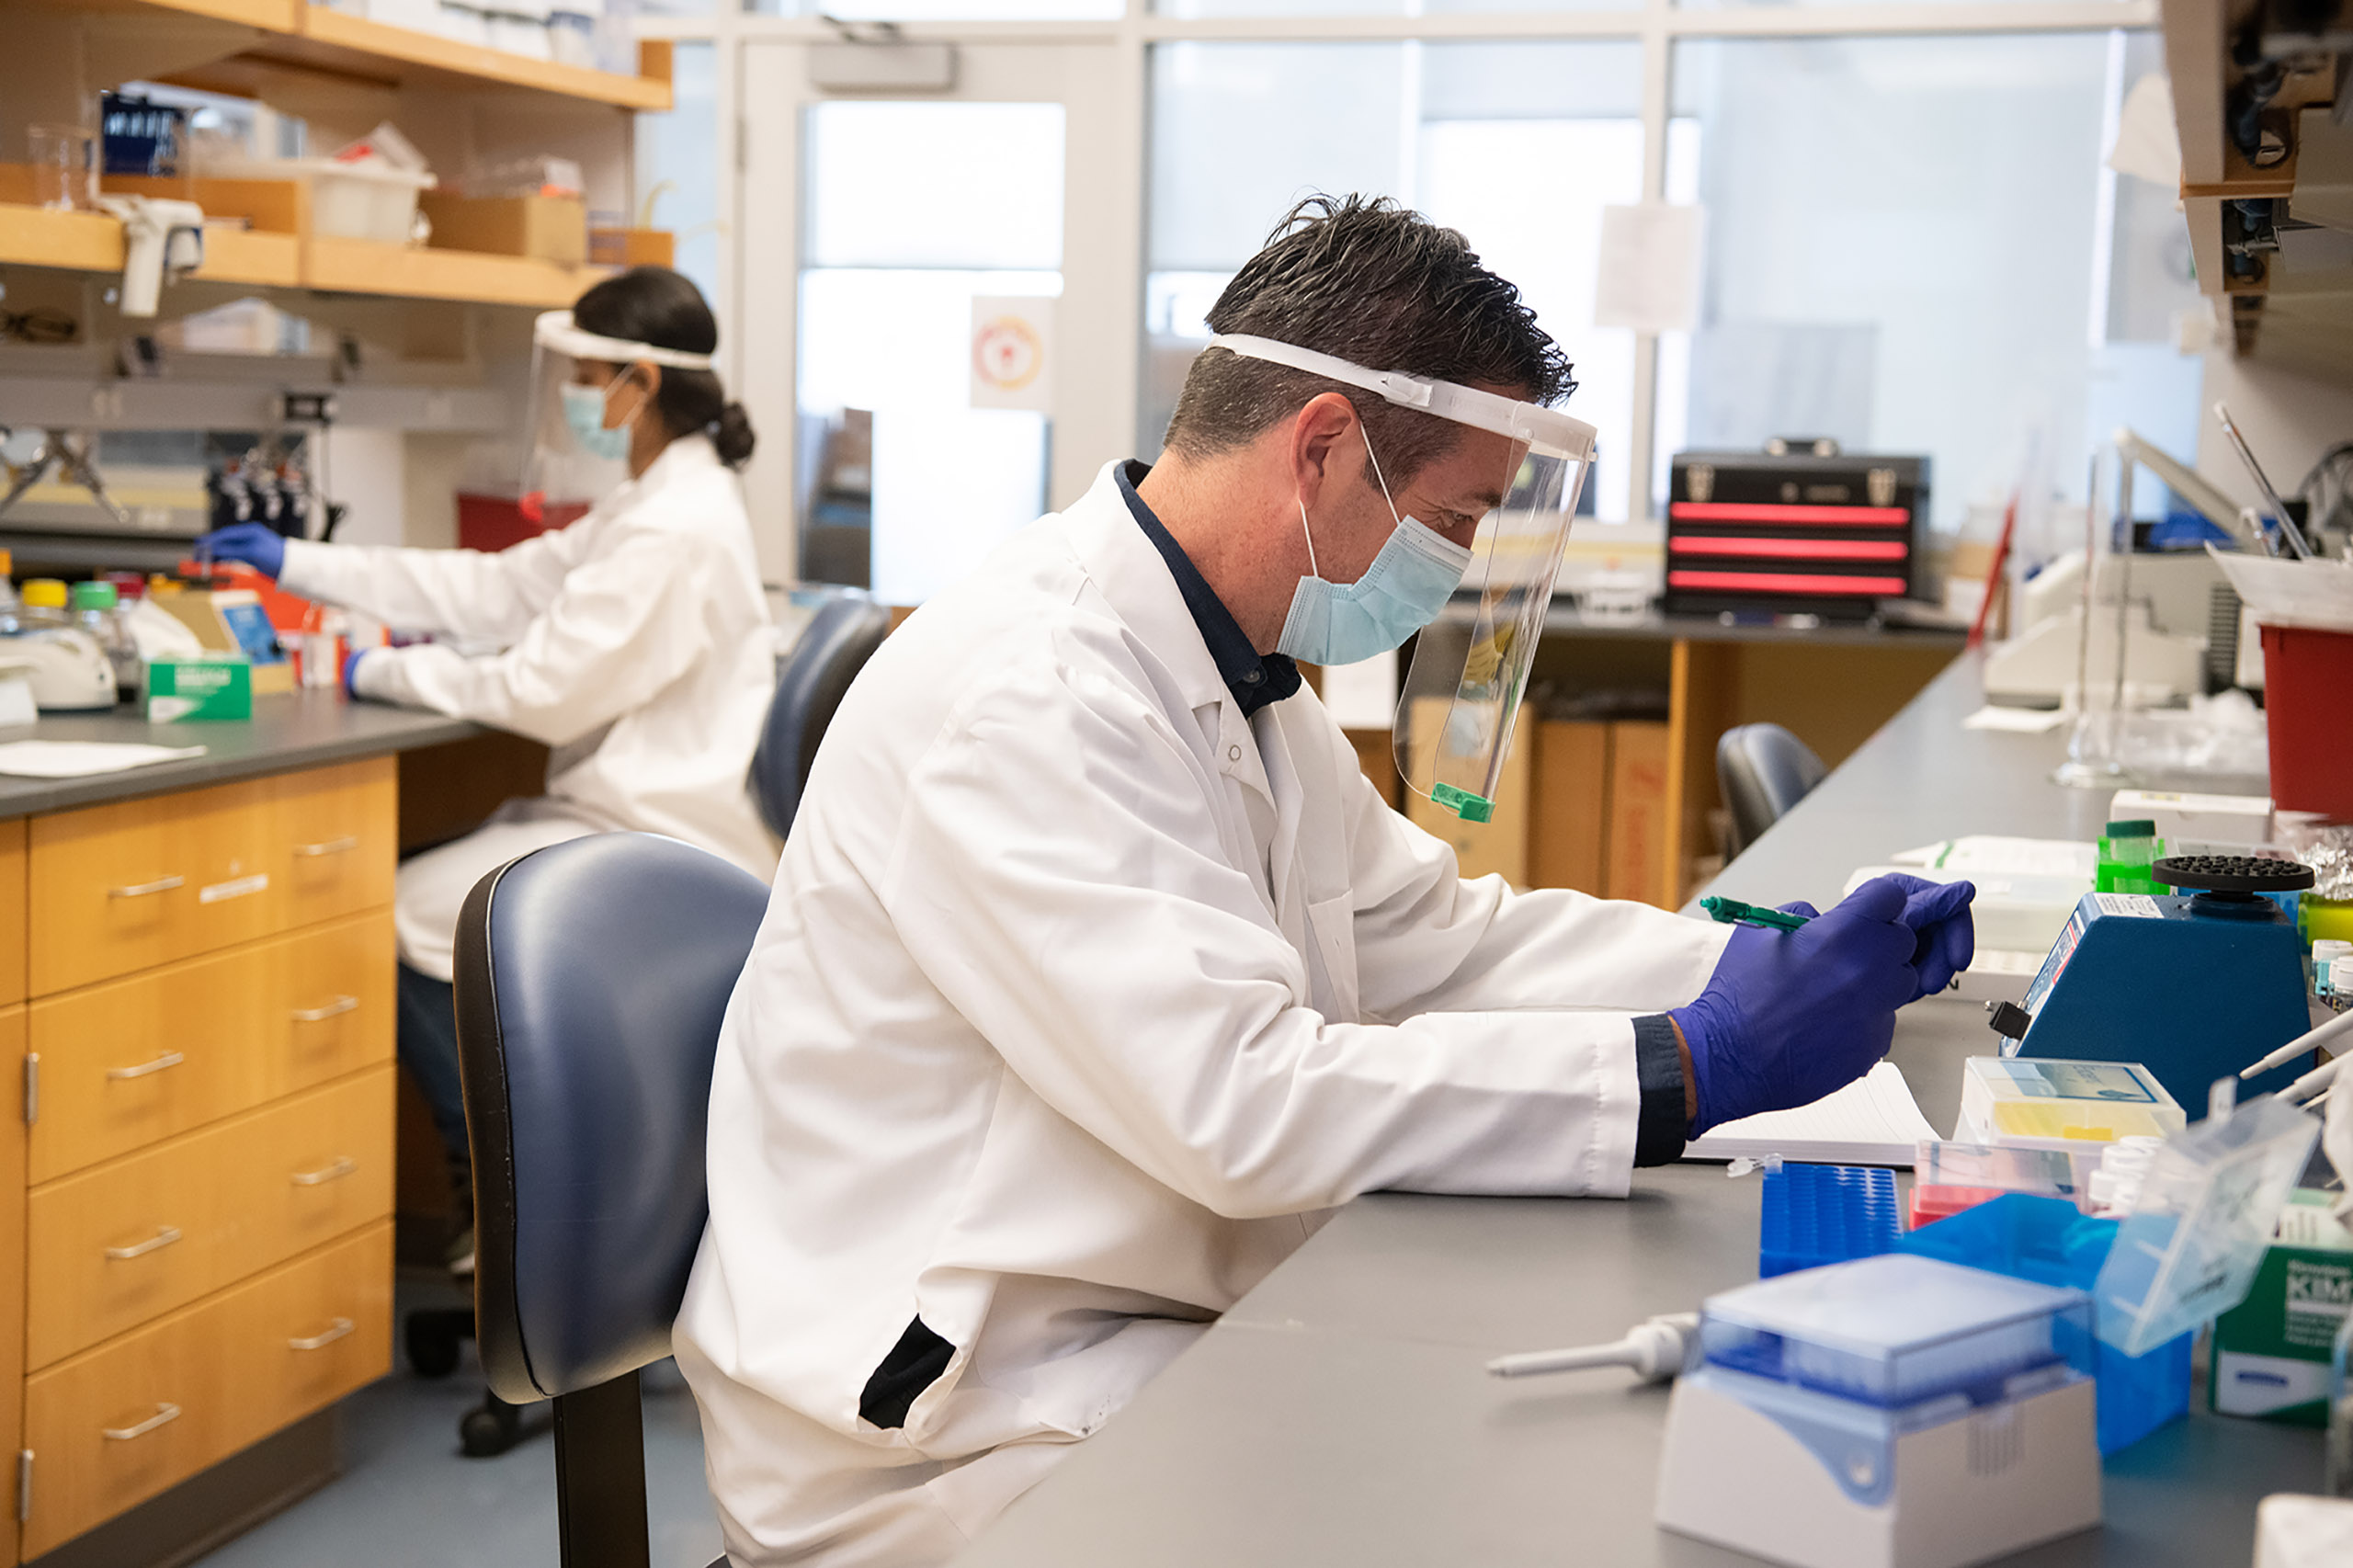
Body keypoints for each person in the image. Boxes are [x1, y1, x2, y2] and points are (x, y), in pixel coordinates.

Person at [672, 196, 1974, 1567]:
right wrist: (1683, 1070)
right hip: (951, 1422)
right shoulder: (1027, 696)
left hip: (1126, 1313)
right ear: (1324, 450)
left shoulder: (1235, 669)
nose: (1462, 563)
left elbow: (1441, 939)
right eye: (1458, 514)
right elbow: (1242, 1102)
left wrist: (1742, 967)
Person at [197, 266, 779, 1263]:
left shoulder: (673, 530)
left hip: (655, 840)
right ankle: (515, 1194)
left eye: (585, 376)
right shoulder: (656, 501)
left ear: (638, 384)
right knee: (416, 876)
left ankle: (515, 1211)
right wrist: (299, 564)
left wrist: (373, 667)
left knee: (382, 909)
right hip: (626, 812)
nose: (569, 398)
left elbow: (535, 688)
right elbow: (496, 587)